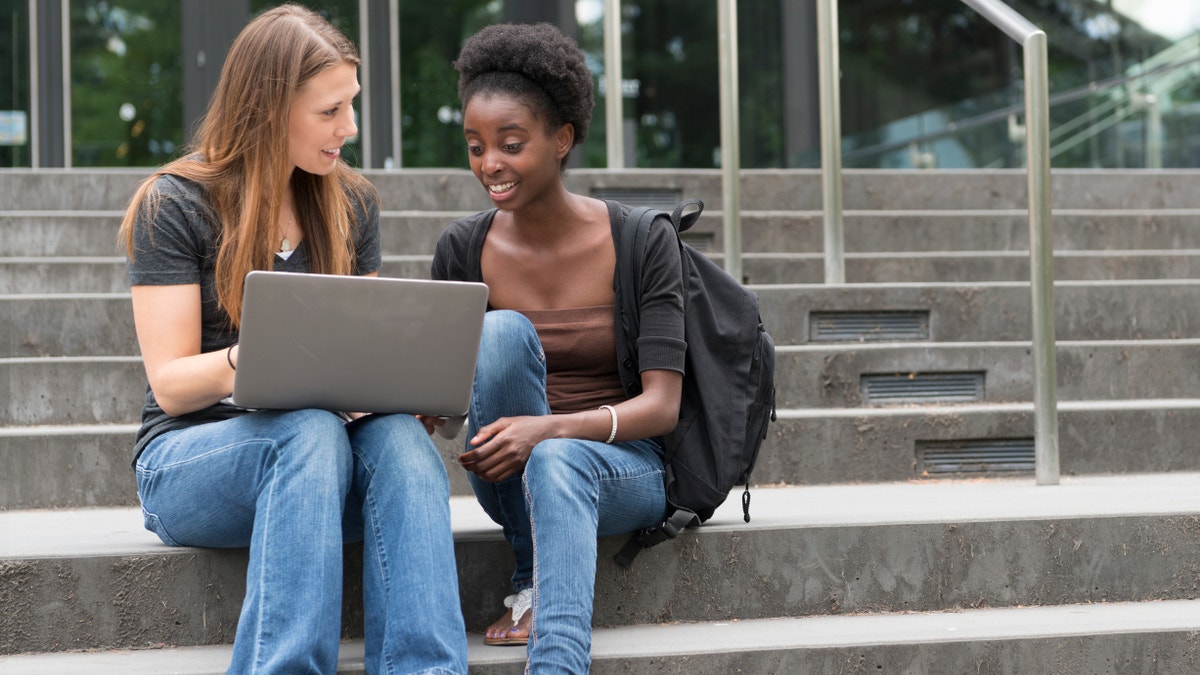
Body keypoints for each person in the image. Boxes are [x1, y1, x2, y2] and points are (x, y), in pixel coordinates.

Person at [117, 5, 468, 673]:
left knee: (396, 439)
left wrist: (393, 387)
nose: (350, 127)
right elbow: (172, 385)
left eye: (351, 104)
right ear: (270, 110)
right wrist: (257, 360)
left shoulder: (351, 204)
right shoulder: (175, 204)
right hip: (192, 461)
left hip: (322, 463)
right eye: (330, 110)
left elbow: (361, 355)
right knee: (305, 429)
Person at [428, 22, 685, 673]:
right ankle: (530, 564)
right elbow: (450, 408)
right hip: (506, 473)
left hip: (622, 465)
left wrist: (550, 430)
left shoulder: (641, 241)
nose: (489, 164)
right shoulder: (462, 249)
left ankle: (553, 644)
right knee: (502, 332)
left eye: (511, 144)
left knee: (557, 458)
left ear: (562, 139)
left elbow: (662, 405)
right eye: (476, 146)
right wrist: (416, 398)